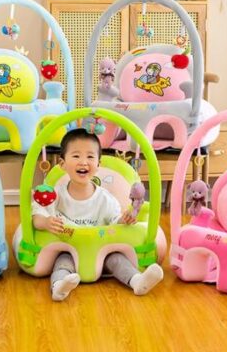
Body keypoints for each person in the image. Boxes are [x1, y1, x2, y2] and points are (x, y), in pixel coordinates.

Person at [32, 128, 164, 301]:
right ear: (62, 164)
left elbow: (115, 223)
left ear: (98, 165)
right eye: (76, 156)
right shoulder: (55, 195)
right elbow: (37, 216)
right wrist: (46, 222)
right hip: (69, 248)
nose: (83, 162)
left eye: (90, 157)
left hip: (101, 254)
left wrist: (125, 219)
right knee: (63, 262)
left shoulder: (105, 199)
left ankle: (137, 281)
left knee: (117, 259)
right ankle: (59, 287)